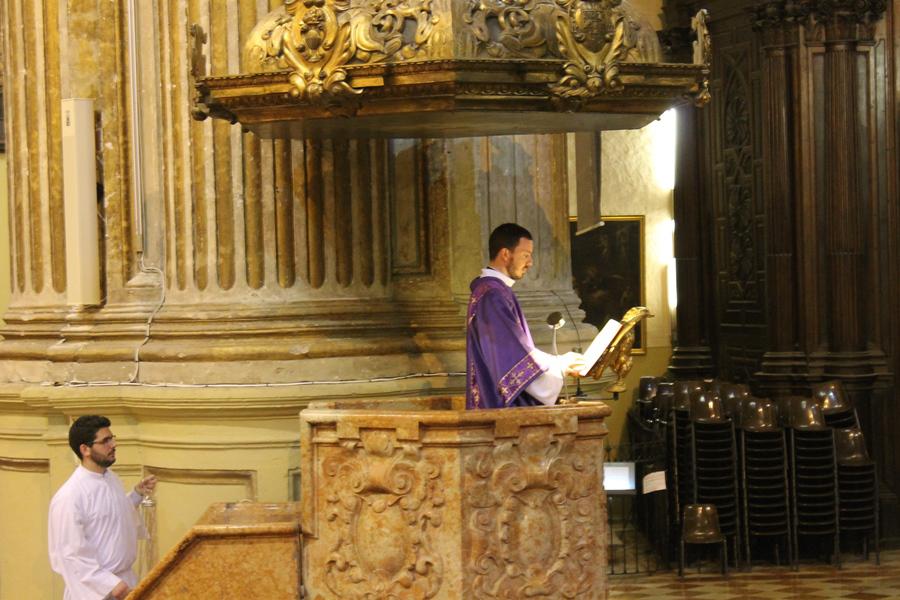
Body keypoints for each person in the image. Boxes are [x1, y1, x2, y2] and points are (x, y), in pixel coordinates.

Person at [466, 223, 584, 409]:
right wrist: (559, 366)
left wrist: (558, 362)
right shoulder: (492, 296)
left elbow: (517, 349)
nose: (530, 263)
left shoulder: (495, 291)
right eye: (526, 255)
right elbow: (510, 357)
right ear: (506, 254)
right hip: (500, 413)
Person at [48, 415, 158, 600]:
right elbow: (72, 555)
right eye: (105, 441)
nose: (113, 444)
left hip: (124, 582)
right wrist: (112, 585)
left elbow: (110, 517)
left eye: (112, 438)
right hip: (95, 591)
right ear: (85, 449)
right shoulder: (70, 496)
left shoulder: (110, 478)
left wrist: (137, 494)